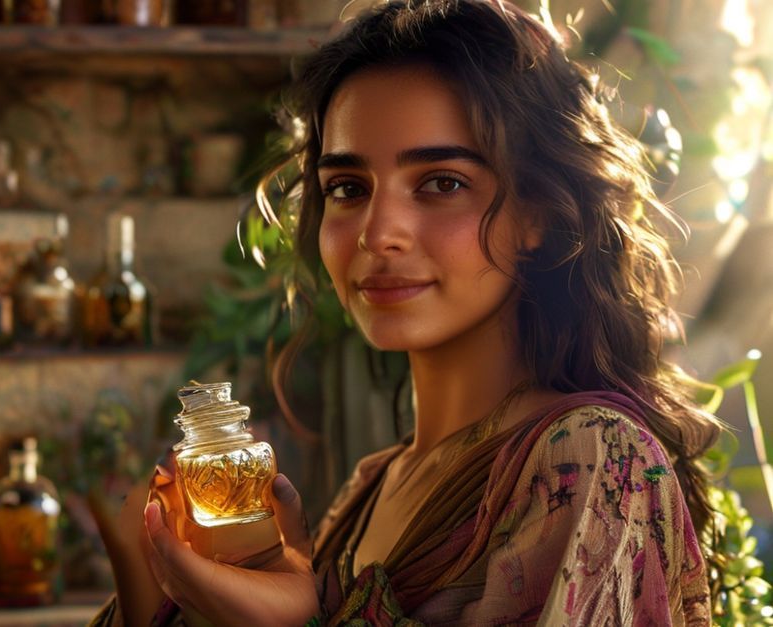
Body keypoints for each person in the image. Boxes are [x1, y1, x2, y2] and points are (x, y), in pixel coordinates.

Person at [91, 1, 719, 624]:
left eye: (441, 182)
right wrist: (146, 575)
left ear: (539, 213)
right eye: (348, 189)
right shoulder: (373, 485)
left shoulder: (589, 458)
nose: (377, 233)